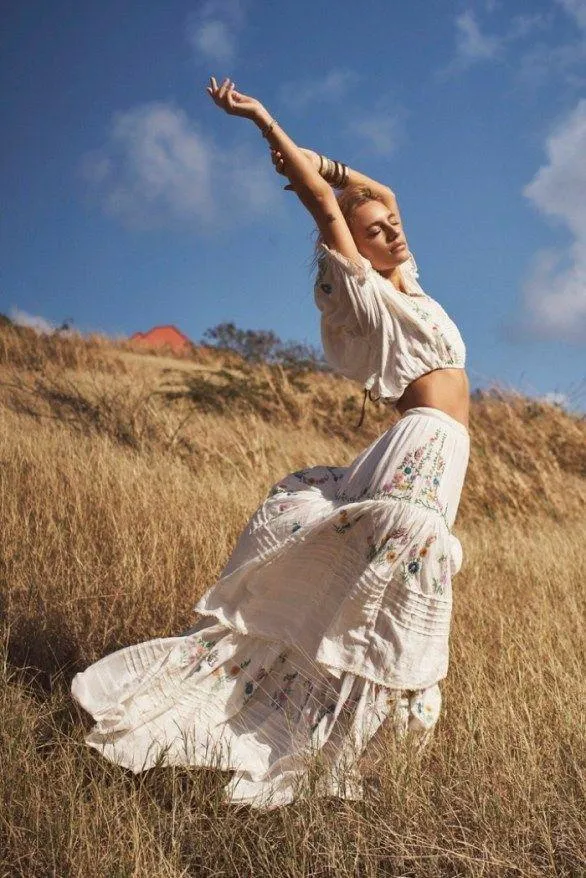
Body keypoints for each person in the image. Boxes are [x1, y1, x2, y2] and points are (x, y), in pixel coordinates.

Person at [70, 77, 471, 810]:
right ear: (357, 248)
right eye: (376, 230)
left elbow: (371, 189)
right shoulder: (369, 291)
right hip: (420, 447)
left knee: (392, 596)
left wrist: (337, 168)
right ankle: (312, 741)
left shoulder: (410, 281)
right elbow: (326, 208)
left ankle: (341, 746)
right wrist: (263, 122)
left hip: (443, 453)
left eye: (391, 224)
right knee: (401, 586)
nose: (393, 232)